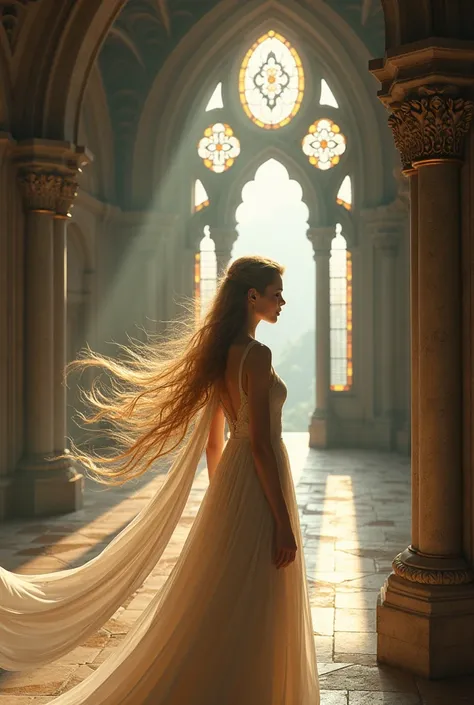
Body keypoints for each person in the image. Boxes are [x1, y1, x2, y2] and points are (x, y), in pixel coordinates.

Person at [0, 255, 320, 704]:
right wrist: (283, 522)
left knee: (230, 593)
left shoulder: (221, 353)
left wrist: (224, 500)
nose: (282, 301)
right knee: (260, 596)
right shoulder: (259, 355)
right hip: (258, 478)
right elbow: (262, 446)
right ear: (253, 297)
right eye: (275, 293)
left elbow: (215, 444)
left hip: (233, 480)